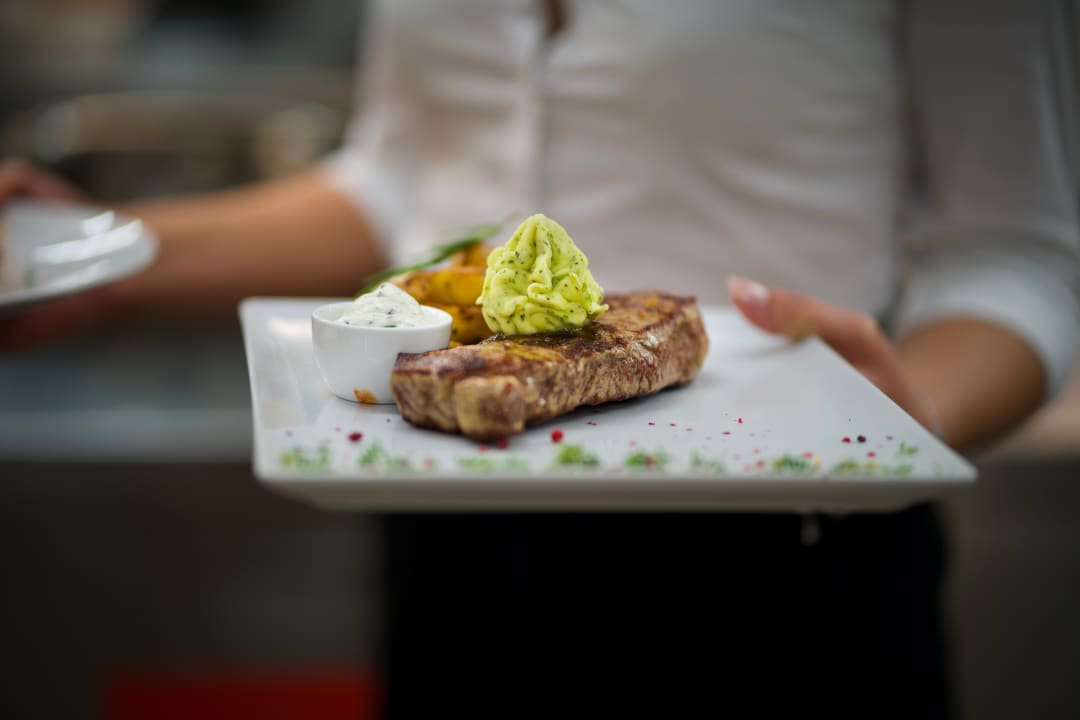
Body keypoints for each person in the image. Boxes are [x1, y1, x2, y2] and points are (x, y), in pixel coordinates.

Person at [2, 1, 1077, 717]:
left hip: (785, 543)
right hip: (453, 516)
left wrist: (907, 419)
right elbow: (401, 183)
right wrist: (91, 252)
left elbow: (1021, 252)